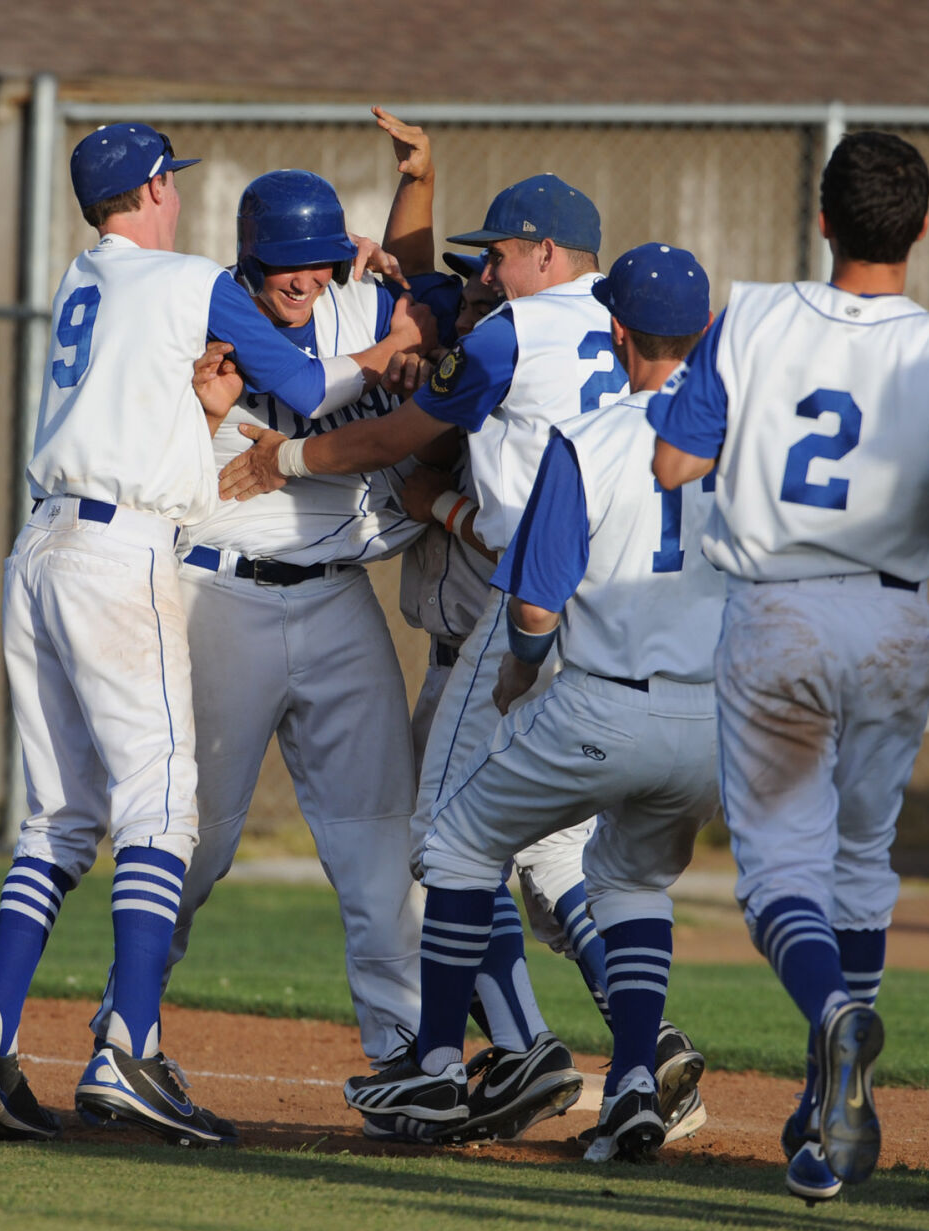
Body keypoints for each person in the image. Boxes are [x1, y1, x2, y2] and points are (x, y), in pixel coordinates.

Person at [0, 124, 426, 1149]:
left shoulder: (86, 277)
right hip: (126, 558)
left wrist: (202, 405)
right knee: (163, 814)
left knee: (61, 820)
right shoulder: (189, 277)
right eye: (171, 184)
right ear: (154, 188)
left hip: (40, 545)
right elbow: (302, 391)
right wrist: (383, 356)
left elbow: (150, 401)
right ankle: (126, 1044)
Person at [221, 170, 637, 1141]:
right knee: (563, 861)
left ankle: (478, 1058)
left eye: (494, 256)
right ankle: (637, 1049)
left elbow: (404, 442)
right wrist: (419, 186)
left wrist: (283, 459)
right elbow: (429, 302)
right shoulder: (631, 339)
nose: (478, 275)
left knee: (455, 845)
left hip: (510, 633)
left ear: (544, 253)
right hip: (623, 627)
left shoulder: (505, 337)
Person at [650, 131, 929, 1200]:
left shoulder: (754, 313)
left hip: (777, 616)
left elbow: (677, 458)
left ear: (823, 219)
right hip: (893, 626)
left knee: (777, 873)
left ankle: (832, 1020)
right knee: (862, 859)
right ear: (921, 226)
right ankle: (825, 1113)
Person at [375, 243, 725, 1160]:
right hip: (712, 722)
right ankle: (639, 1082)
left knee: (454, 843)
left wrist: (517, 680)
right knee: (628, 881)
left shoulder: (595, 436)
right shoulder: (746, 450)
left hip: (603, 704)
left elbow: (534, 604)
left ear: (617, 332)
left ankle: (443, 1065)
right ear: (705, 335)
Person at [85, 168, 433, 1088]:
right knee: (195, 843)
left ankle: (400, 1056)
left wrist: (388, 250)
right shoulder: (196, 331)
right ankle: (129, 1029)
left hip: (336, 596)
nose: (308, 281)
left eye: (321, 263)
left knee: (378, 843)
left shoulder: (356, 311)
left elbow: (426, 295)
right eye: (290, 267)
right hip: (220, 599)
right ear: (251, 261)